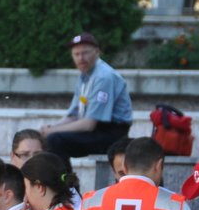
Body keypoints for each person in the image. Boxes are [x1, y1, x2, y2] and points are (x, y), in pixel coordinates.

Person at [43, 32, 132, 160]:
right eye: (76, 54)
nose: (81, 58)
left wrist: (54, 131)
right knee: (47, 138)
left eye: (85, 53)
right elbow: (73, 115)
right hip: (97, 130)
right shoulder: (85, 75)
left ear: (97, 52)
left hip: (112, 133)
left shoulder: (103, 77)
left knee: (55, 140)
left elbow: (88, 124)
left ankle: (64, 180)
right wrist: (52, 127)